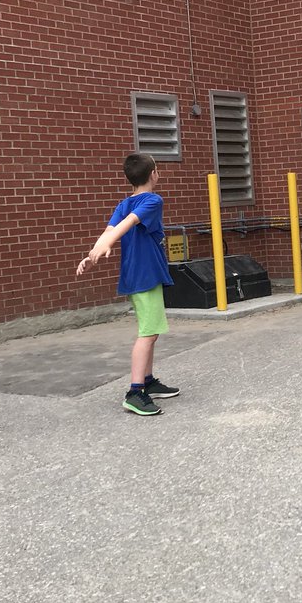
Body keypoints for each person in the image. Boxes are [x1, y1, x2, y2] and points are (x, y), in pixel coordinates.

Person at [76, 152, 178, 416]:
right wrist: (103, 246)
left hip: (136, 275)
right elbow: (129, 223)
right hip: (145, 276)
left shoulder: (124, 203)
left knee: (149, 329)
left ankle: (148, 381)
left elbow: (111, 229)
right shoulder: (153, 200)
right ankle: (135, 392)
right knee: (148, 333)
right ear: (154, 173)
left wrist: (96, 249)